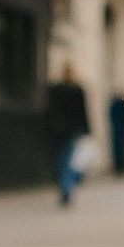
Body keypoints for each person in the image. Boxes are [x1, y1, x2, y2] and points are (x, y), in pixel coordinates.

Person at [46, 64, 90, 207]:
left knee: (62, 160)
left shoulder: (56, 90)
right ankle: (67, 187)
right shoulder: (77, 90)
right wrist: (86, 130)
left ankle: (65, 187)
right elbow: (82, 112)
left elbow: (50, 111)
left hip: (58, 131)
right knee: (69, 160)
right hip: (72, 131)